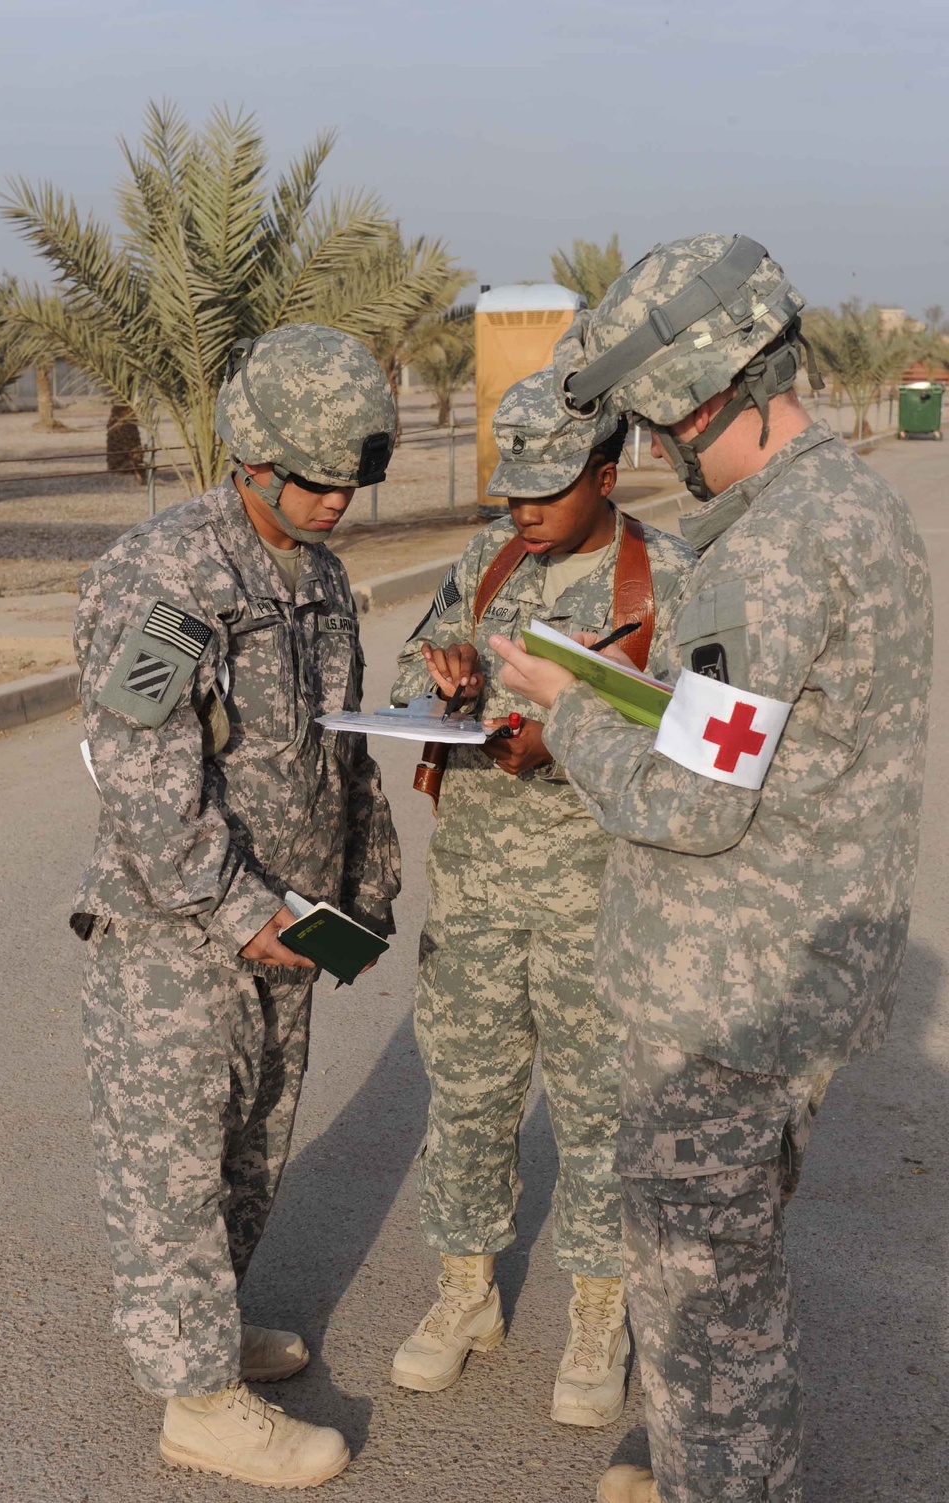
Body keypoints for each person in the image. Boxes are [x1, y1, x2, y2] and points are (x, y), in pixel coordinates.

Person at [489, 234, 933, 1503]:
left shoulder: (770, 551)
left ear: (699, 403)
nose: (650, 456)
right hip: (782, 981)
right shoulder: (845, 504)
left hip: (722, 998)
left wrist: (564, 710)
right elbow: (756, 737)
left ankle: (722, 1480)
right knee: (729, 1287)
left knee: (699, 1319)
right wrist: (637, 693)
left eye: (646, 426)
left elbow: (691, 803)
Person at [72, 324, 402, 1490]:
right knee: (169, 1163)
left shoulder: (319, 580)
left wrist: (357, 888)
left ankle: (201, 1337)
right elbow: (139, 767)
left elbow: (334, 750)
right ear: (250, 459)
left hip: (286, 929)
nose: (335, 502)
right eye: (313, 480)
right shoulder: (163, 579)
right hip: (180, 934)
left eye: (351, 479)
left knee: (250, 1152)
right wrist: (231, 903)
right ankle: (198, 1403)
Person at [387, 368, 695, 1425]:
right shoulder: (491, 558)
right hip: (473, 891)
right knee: (465, 1093)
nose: (522, 509)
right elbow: (402, 675)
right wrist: (442, 684)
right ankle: (464, 1294)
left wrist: (564, 742)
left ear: (607, 475)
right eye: (509, 487)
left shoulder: (666, 582)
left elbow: (709, 746)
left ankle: (599, 1311)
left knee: (599, 1110)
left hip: (599, 906)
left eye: (546, 489)